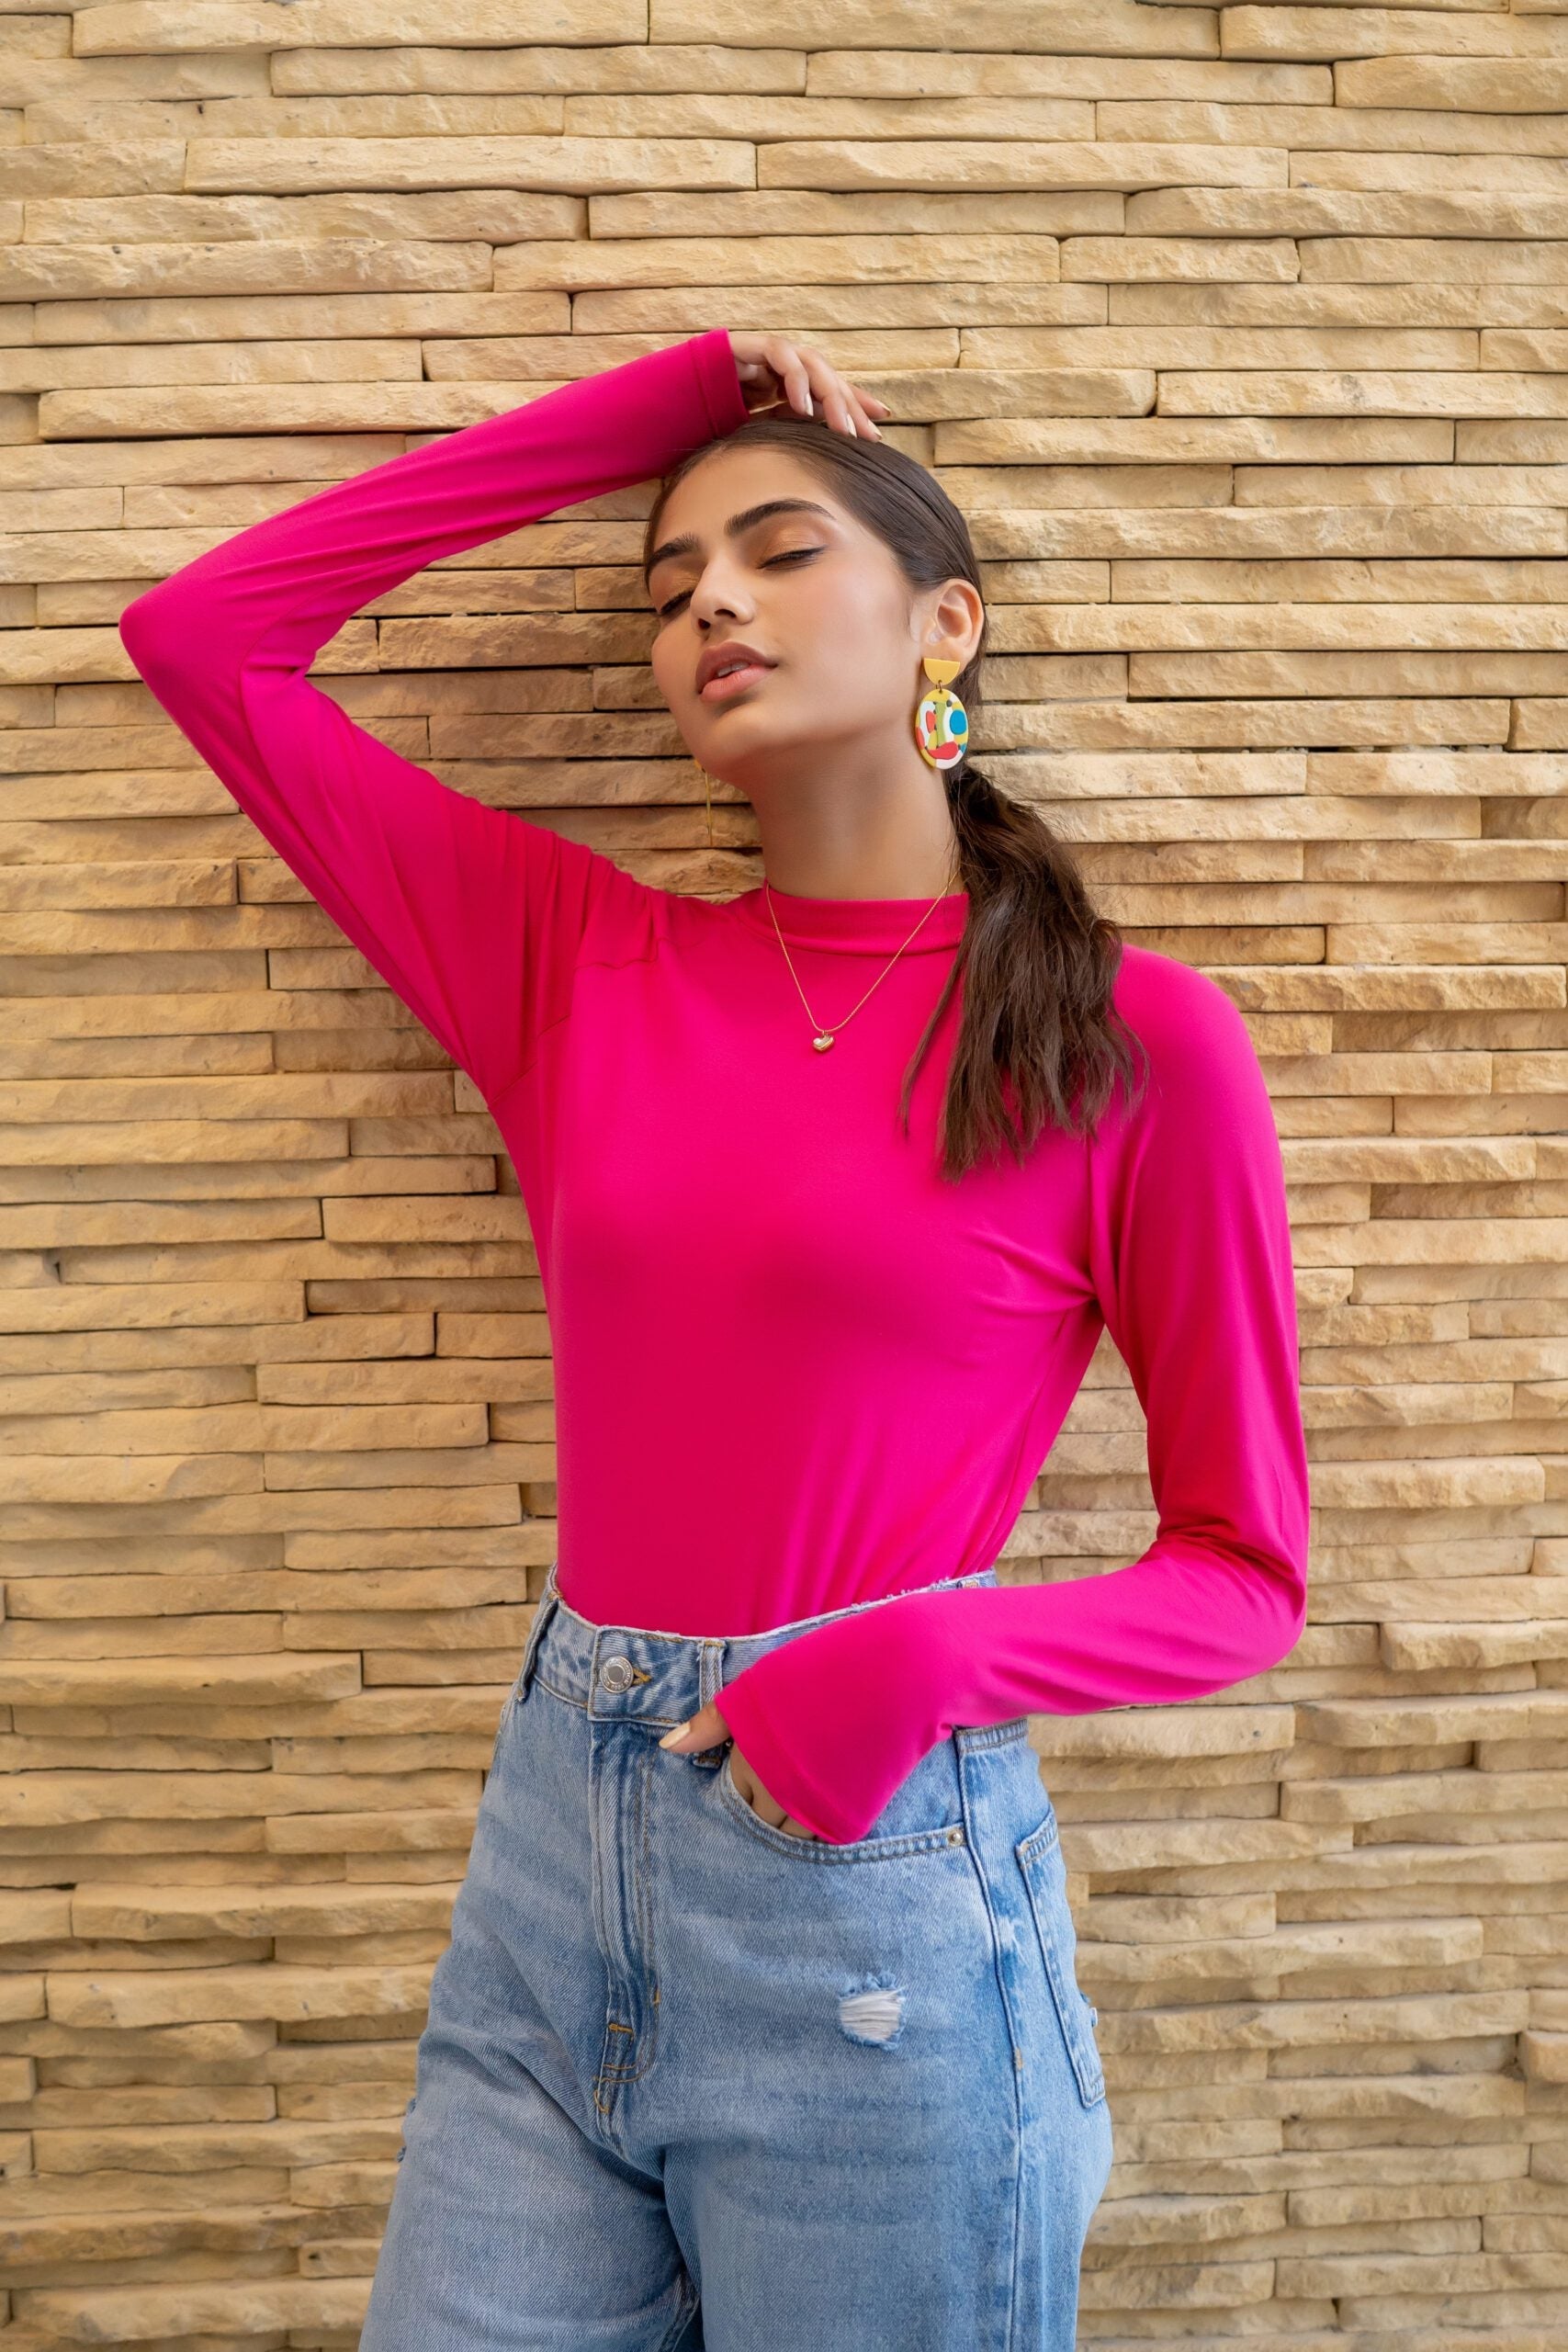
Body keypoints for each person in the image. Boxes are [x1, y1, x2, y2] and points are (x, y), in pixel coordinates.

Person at [118, 329, 1312, 2352]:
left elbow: (1241, 1574)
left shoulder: (1131, 1042)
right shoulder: (570, 959)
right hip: (549, 1860)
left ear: (946, 625)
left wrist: (908, 1663)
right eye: (669, 587)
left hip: (869, 1890)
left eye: (776, 550)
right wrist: (655, 408)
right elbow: (207, 639)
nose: (710, 609)